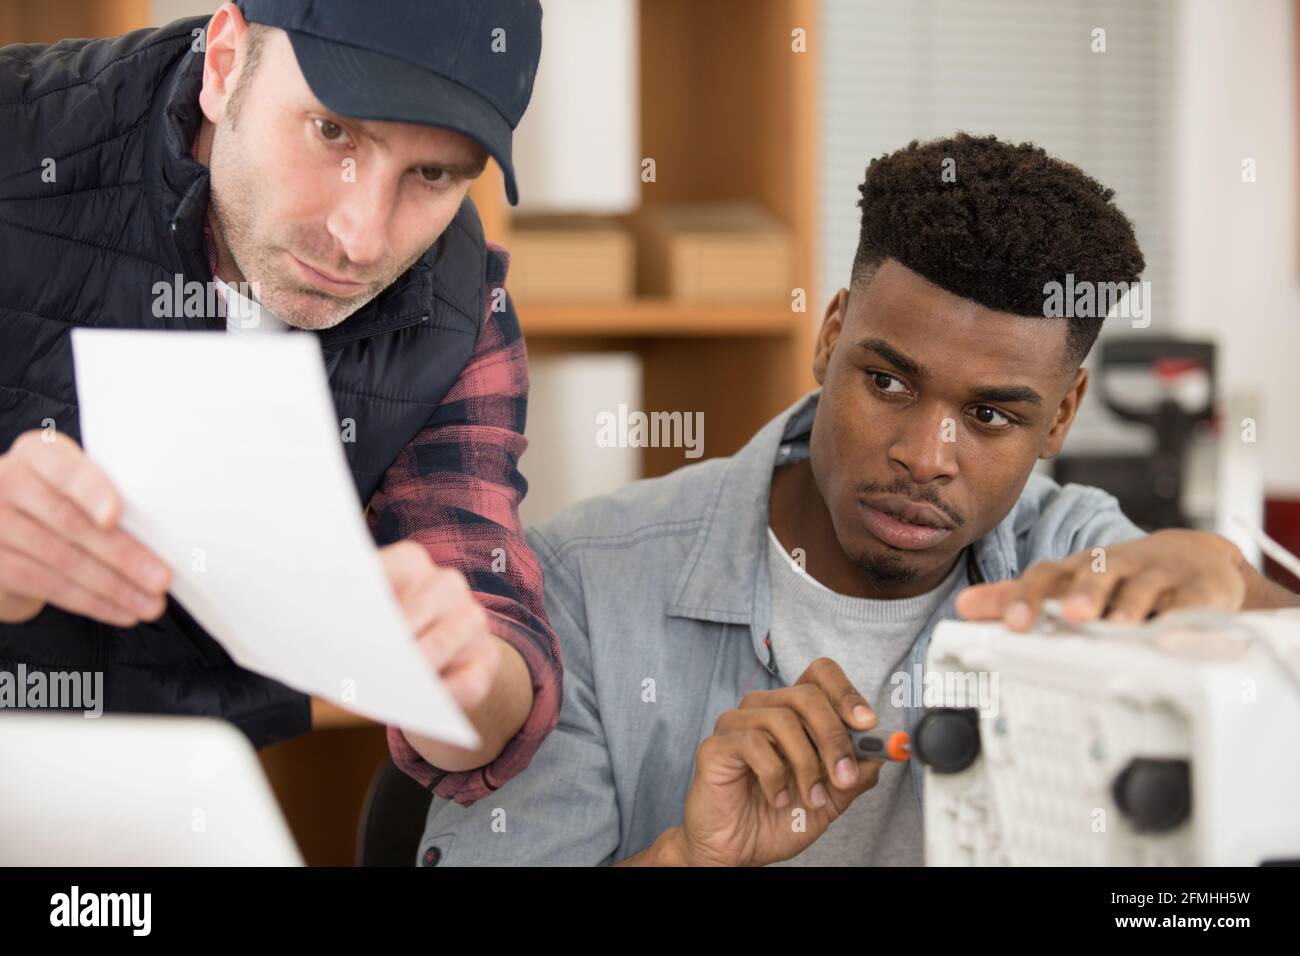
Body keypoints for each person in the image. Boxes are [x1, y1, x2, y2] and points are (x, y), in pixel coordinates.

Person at [415, 133, 1300, 864]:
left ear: (1062, 416)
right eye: (887, 382)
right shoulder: (580, 585)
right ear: (831, 335)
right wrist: (689, 858)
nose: (924, 457)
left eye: (990, 416)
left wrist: (1241, 591)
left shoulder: (1071, 561)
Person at [0, 0, 561, 806]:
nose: (361, 237)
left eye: (432, 174)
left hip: (186, 808)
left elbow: (496, 660)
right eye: (333, 133)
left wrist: (462, 677)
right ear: (226, 64)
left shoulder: (459, 307)